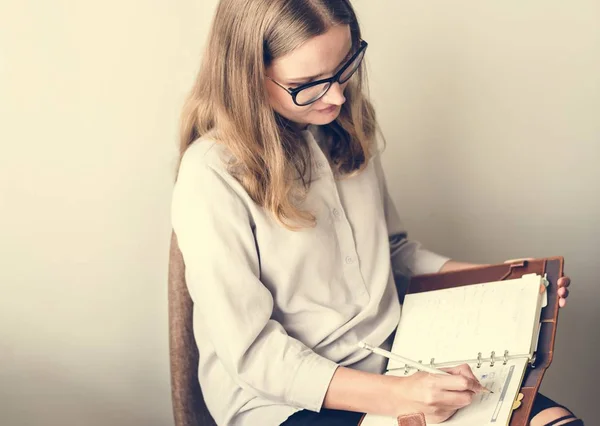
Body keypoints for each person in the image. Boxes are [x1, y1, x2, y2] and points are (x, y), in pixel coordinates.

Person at [171, 1, 581, 425]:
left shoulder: (343, 124)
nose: (337, 95)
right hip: (286, 399)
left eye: (344, 66)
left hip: (397, 357)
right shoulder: (212, 175)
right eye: (308, 83)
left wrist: (507, 284)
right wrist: (400, 395)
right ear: (248, 76)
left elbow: (393, 252)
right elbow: (255, 355)